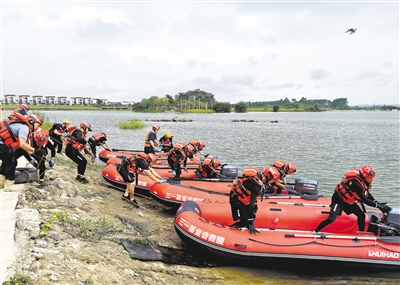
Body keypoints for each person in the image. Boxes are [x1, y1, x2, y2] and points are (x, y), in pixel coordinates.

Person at [314, 165, 390, 234]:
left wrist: (379, 204)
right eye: (369, 178)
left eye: (372, 178)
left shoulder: (362, 182)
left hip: (348, 201)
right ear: (363, 176)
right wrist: (377, 205)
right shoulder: (356, 184)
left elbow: (367, 194)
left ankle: (361, 233)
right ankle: (315, 231)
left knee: (361, 215)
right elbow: (365, 200)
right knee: (331, 218)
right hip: (338, 200)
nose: (371, 180)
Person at [0, 114, 43, 187]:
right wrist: (35, 150)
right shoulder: (24, 128)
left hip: (2, 144)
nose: (37, 128)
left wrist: (34, 154)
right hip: (1, 144)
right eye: (37, 125)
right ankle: (9, 185)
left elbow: (24, 147)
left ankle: (1, 182)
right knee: (11, 162)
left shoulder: (22, 126)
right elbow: (22, 144)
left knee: (7, 160)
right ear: (32, 122)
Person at [229, 167, 265, 234]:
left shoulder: (244, 181)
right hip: (239, 201)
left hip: (237, 199)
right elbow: (251, 205)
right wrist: (251, 221)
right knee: (245, 221)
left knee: (251, 214)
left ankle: (248, 226)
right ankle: (229, 230)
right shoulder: (255, 186)